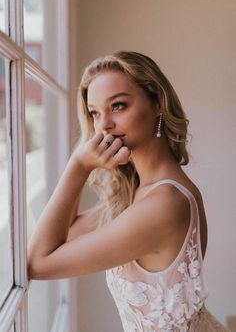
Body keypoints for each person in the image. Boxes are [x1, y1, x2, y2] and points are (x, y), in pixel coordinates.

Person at [28, 51, 228, 331]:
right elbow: (61, 237)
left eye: (118, 106)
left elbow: (38, 263)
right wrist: (81, 164)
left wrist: (78, 165)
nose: (103, 125)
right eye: (95, 113)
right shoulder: (140, 192)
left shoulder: (164, 204)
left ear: (157, 103)